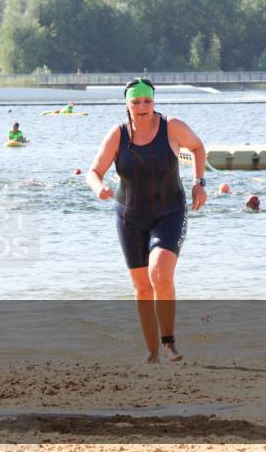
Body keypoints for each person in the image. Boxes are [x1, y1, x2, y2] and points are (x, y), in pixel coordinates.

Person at [86, 78, 207, 363]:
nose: (143, 107)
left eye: (147, 101)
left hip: (170, 212)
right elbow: (93, 171)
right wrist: (98, 188)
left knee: (160, 273)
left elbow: (198, 148)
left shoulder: (172, 127)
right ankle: (152, 353)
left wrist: (199, 183)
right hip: (129, 217)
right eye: (136, 102)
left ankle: (169, 343)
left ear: (154, 101)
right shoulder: (118, 134)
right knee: (142, 288)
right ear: (126, 104)